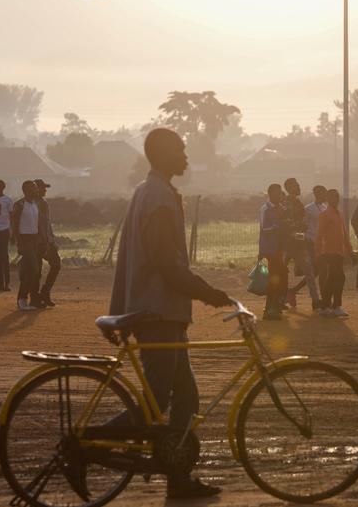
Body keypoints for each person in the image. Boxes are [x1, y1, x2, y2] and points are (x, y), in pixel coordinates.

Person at [108, 128, 231, 499]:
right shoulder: (158, 197)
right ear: (162, 155)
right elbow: (167, 264)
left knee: (188, 397)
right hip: (157, 311)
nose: (186, 155)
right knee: (157, 402)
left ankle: (177, 474)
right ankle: (85, 444)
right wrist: (209, 294)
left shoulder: (151, 191)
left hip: (163, 312)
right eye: (180, 149)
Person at [315, 189, 353, 317]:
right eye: (332, 197)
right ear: (328, 199)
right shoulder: (325, 215)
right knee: (337, 277)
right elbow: (319, 234)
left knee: (334, 277)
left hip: (339, 251)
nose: (335, 199)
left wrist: (349, 249)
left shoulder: (339, 214)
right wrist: (318, 251)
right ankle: (332, 305)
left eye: (336, 196)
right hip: (329, 251)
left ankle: (330, 305)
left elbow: (344, 233)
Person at [289, 185, 327, 311]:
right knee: (315, 271)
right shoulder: (308, 209)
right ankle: (318, 300)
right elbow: (303, 225)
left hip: (321, 243)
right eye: (323, 193)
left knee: (314, 271)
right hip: (309, 242)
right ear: (317, 194)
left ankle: (293, 291)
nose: (325, 195)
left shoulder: (324, 207)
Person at [11, 180, 45, 311]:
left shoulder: (35, 204)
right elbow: (15, 225)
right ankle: (22, 298)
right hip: (25, 240)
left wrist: (42, 239)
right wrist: (19, 242)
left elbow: (38, 223)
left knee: (30, 271)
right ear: (26, 190)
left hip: (35, 239)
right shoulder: (19, 205)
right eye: (34, 188)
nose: (37, 190)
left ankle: (26, 299)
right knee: (34, 270)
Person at [259, 183, 287, 320]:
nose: (279, 195)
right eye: (277, 192)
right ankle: (270, 309)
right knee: (274, 278)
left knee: (280, 278)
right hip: (271, 249)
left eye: (280, 192)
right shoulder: (265, 209)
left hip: (280, 248)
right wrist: (278, 226)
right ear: (270, 194)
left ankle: (275, 306)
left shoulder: (281, 208)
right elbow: (264, 228)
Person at [34, 179, 61, 307]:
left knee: (54, 265)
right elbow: (41, 224)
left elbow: (46, 223)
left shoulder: (43, 202)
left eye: (45, 188)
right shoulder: (36, 203)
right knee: (39, 269)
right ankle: (39, 295)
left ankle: (43, 292)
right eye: (42, 188)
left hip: (45, 240)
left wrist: (51, 239)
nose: (45, 190)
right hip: (40, 241)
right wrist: (47, 240)